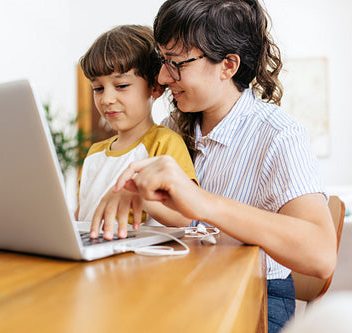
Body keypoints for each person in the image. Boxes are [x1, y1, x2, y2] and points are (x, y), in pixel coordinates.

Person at [92, 1, 337, 332]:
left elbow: (321, 255)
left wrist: (205, 204)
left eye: (177, 63)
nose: (164, 77)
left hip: (258, 293)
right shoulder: (171, 128)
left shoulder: (278, 135)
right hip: (186, 285)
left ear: (228, 65)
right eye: (163, 61)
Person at [76, 25, 198, 240]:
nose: (106, 99)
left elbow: (184, 215)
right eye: (98, 88)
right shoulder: (94, 153)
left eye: (121, 85)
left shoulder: (164, 143)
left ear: (155, 87)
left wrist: (143, 197)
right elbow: (82, 216)